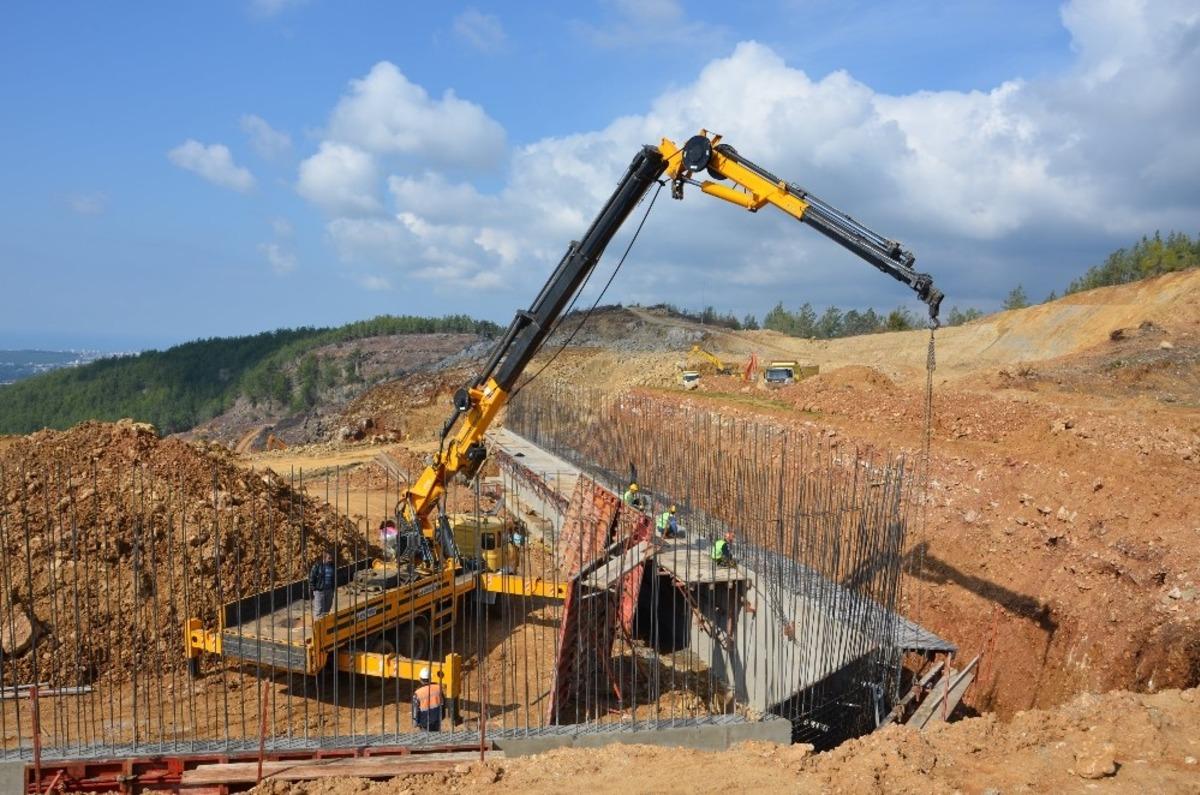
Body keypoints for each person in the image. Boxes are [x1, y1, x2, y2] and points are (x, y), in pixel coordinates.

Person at [412, 667, 445, 731]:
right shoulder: (438, 688)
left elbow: (415, 709)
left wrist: (415, 722)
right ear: (430, 678)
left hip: (424, 722)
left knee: (426, 739)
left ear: (420, 679)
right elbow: (443, 703)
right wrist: (442, 716)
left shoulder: (418, 693)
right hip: (437, 718)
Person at [309, 550, 335, 618]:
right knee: (319, 610)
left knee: (327, 610)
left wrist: (332, 589)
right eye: (329, 558)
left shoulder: (332, 566)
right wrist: (314, 589)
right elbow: (311, 577)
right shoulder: (317, 566)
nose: (330, 560)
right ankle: (317, 626)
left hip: (329, 591)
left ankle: (325, 626)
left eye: (331, 558)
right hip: (319, 591)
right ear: (324, 558)